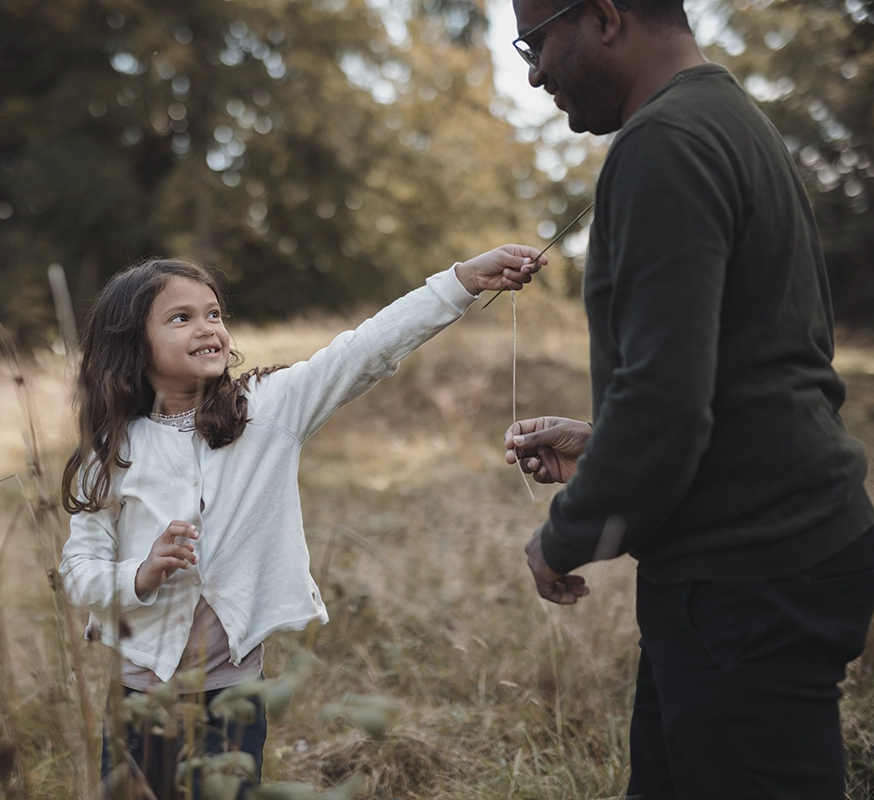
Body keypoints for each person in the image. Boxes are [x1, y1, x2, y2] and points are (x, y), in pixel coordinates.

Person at [502, 1, 874, 798]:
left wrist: (562, 538)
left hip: (750, 577)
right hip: (755, 564)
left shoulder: (664, 143)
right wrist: (603, 444)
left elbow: (664, 402)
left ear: (604, 15)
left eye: (536, 43)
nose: (533, 73)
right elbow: (738, 365)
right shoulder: (726, 116)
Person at [58, 245, 547, 798]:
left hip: (233, 695)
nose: (207, 327)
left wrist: (461, 281)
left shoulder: (266, 410)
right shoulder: (111, 451)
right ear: (132, 344)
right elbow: (78, 571)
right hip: (138, 695)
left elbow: (365, 349)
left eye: (214, 313)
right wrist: (140, 575)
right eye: (181, 317)